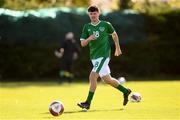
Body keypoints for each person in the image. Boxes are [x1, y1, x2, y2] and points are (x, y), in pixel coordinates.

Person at [77, 5, 132, 110]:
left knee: (92, 77)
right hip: (94, 57)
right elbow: (83, 43)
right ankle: (126, 91)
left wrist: (117, 47)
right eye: (91, 14)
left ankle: (87, 103)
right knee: (107, 80)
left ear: (99, 13)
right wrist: (89, 38)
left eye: (95, 13)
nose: (93, 15)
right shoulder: (86, 27)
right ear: (89, 15)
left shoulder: (105, 24)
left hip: (103, 55)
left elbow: (114, 35)